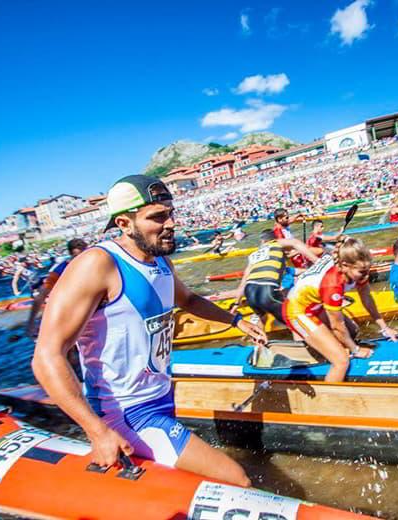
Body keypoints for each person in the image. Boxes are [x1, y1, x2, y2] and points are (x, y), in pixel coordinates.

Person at [32, 175, 266, 487]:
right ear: (124, 223)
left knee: (184, 484)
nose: (170, 224)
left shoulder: (161, 261)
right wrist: (97, 431)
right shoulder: (97, 264)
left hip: (161, 396)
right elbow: (47, 356)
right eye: (157, 217)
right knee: (237, 480)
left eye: (170, 213)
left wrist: (235, 321)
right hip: (126, 412)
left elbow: (189, 299)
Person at [282, 237, 398, 382]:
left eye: (368, 270)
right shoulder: (332, 284)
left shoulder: (353, 268)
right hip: (297, 311)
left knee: (353, 331)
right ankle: (328, 400)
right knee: (341, 361)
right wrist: (355, 350)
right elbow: (337, 326)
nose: (366, 276)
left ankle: (326, 352)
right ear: (344, 266)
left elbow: (367, 299)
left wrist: (384, 328)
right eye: (362, 272)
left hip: (315, 303)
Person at [231, 230, 319, 326]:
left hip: (249, 292)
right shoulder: (276, 243)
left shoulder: (254, 255)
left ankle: (259, 336)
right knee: (297, 323)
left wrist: (236, 303)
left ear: (262, 241)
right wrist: (317, 261)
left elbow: (243, 282)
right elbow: (295, 242)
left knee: (262, 318)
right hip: (266, 290)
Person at [26, 238, 88, 337]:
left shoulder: (93, 264)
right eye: (77, 256)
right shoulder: (59, 270)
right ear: (71, 254)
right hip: (71, 313)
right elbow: (41, 296)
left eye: (85, 255)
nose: (81, 259)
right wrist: (31, 322)